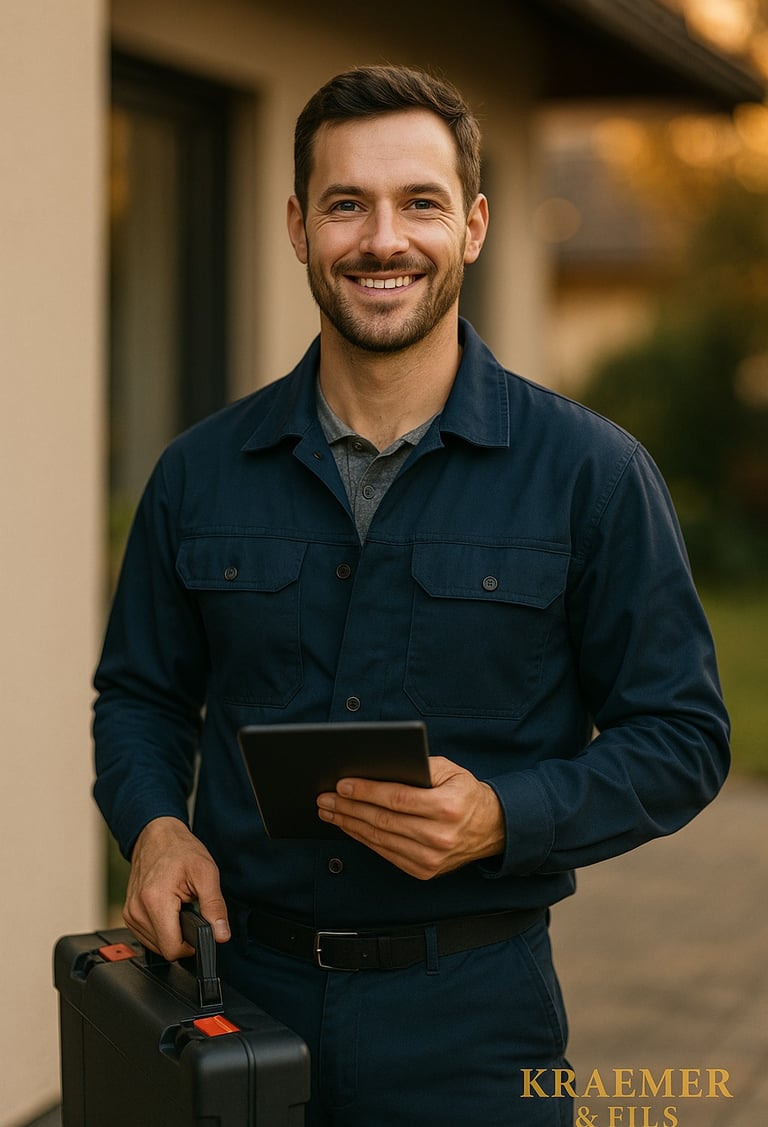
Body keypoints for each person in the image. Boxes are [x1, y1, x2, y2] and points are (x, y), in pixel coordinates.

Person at [93, 64, 730, 1127]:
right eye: (347, 204)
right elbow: (141, 695)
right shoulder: (197, 474)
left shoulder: (593, 474)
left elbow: (685, 735)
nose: (382, 239)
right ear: (298, 227)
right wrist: (155, 825)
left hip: (476, 1023)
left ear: (473, 225)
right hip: (239, 996)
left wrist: (500, 816)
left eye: (419, 202)